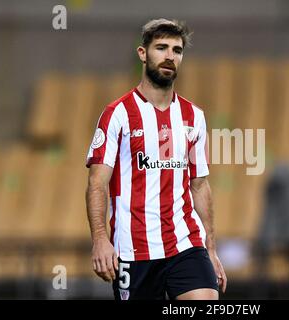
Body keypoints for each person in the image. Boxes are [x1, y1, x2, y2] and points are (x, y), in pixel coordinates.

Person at [85, 18, 227, 300]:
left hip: (185, 245)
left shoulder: (193, 117)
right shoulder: (118, 114)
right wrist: (100, 239)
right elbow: (97, 184)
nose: (170, 56)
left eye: (177, 50)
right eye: (161, 48)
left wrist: (210, 249)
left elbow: (200, 185)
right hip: (133, 250)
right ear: (143, 53)